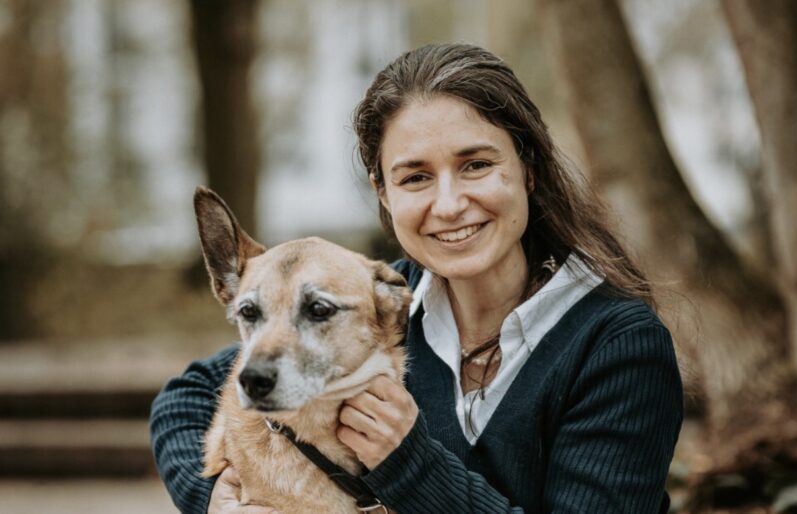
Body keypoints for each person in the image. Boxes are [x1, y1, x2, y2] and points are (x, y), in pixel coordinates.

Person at [150, 43, 683, 514]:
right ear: (384, 194)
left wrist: (409, 462)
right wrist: (212, 496)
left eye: (476, 165)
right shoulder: (385, 302)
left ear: (529, 169)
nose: (448, 205)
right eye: (416, 177)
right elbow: (187, 395)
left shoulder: (616, 347)